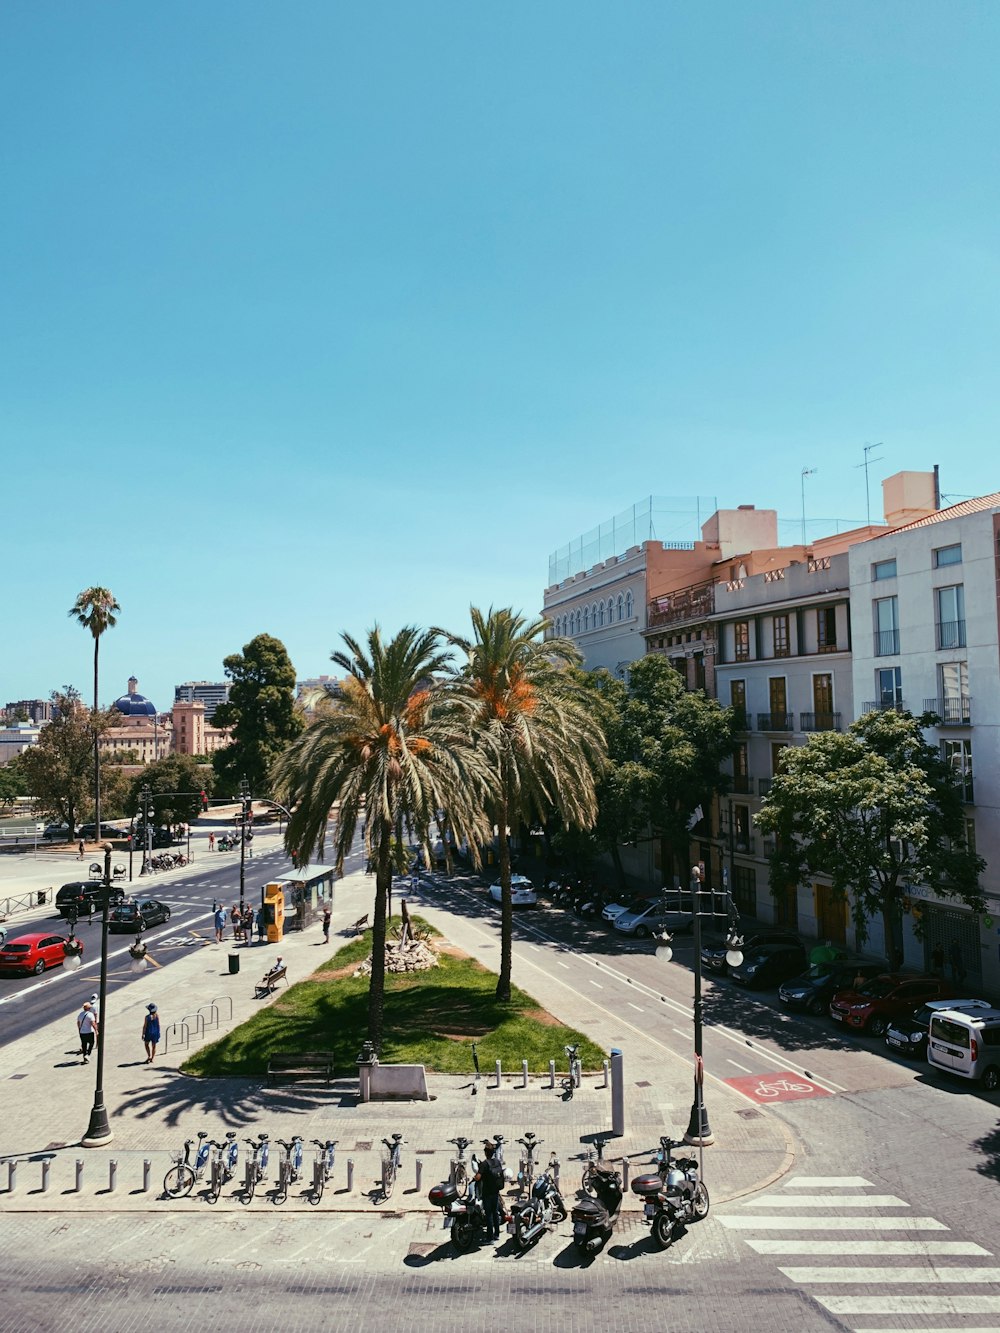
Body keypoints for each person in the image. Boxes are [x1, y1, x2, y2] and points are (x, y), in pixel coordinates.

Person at [475, 1141, 505, 1242]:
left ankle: (489, 1237)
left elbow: (478, 1177)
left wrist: (474, 1178)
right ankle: (497, 1234)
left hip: (487, 1193)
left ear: (486, 1152)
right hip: (495, 1191)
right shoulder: (497, 1161)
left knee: (489, 1215)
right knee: (495, 1212)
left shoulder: (484, 1164)